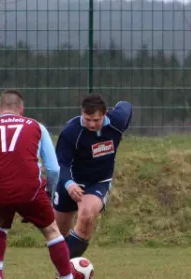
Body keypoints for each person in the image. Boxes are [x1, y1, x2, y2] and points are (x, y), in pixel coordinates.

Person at [0, 89, 86, 279]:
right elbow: (54, 169)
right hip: (31, 190)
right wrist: (48, 192)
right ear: (21, 109)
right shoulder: (36, 127)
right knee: (51, 231)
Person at [53, 94, 132, 264]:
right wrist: (68, 184)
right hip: (70, 182)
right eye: (87, 119)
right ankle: (66, 259)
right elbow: (61, 164)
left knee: (87, 215)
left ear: (105, 114)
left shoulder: (117, 122)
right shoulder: (71, 131)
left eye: (96, 120)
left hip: (97, 182)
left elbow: (126, 105)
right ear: (82, 113)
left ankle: (67, 268)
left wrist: (119, 105)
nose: (91, 124)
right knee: (56, 234)